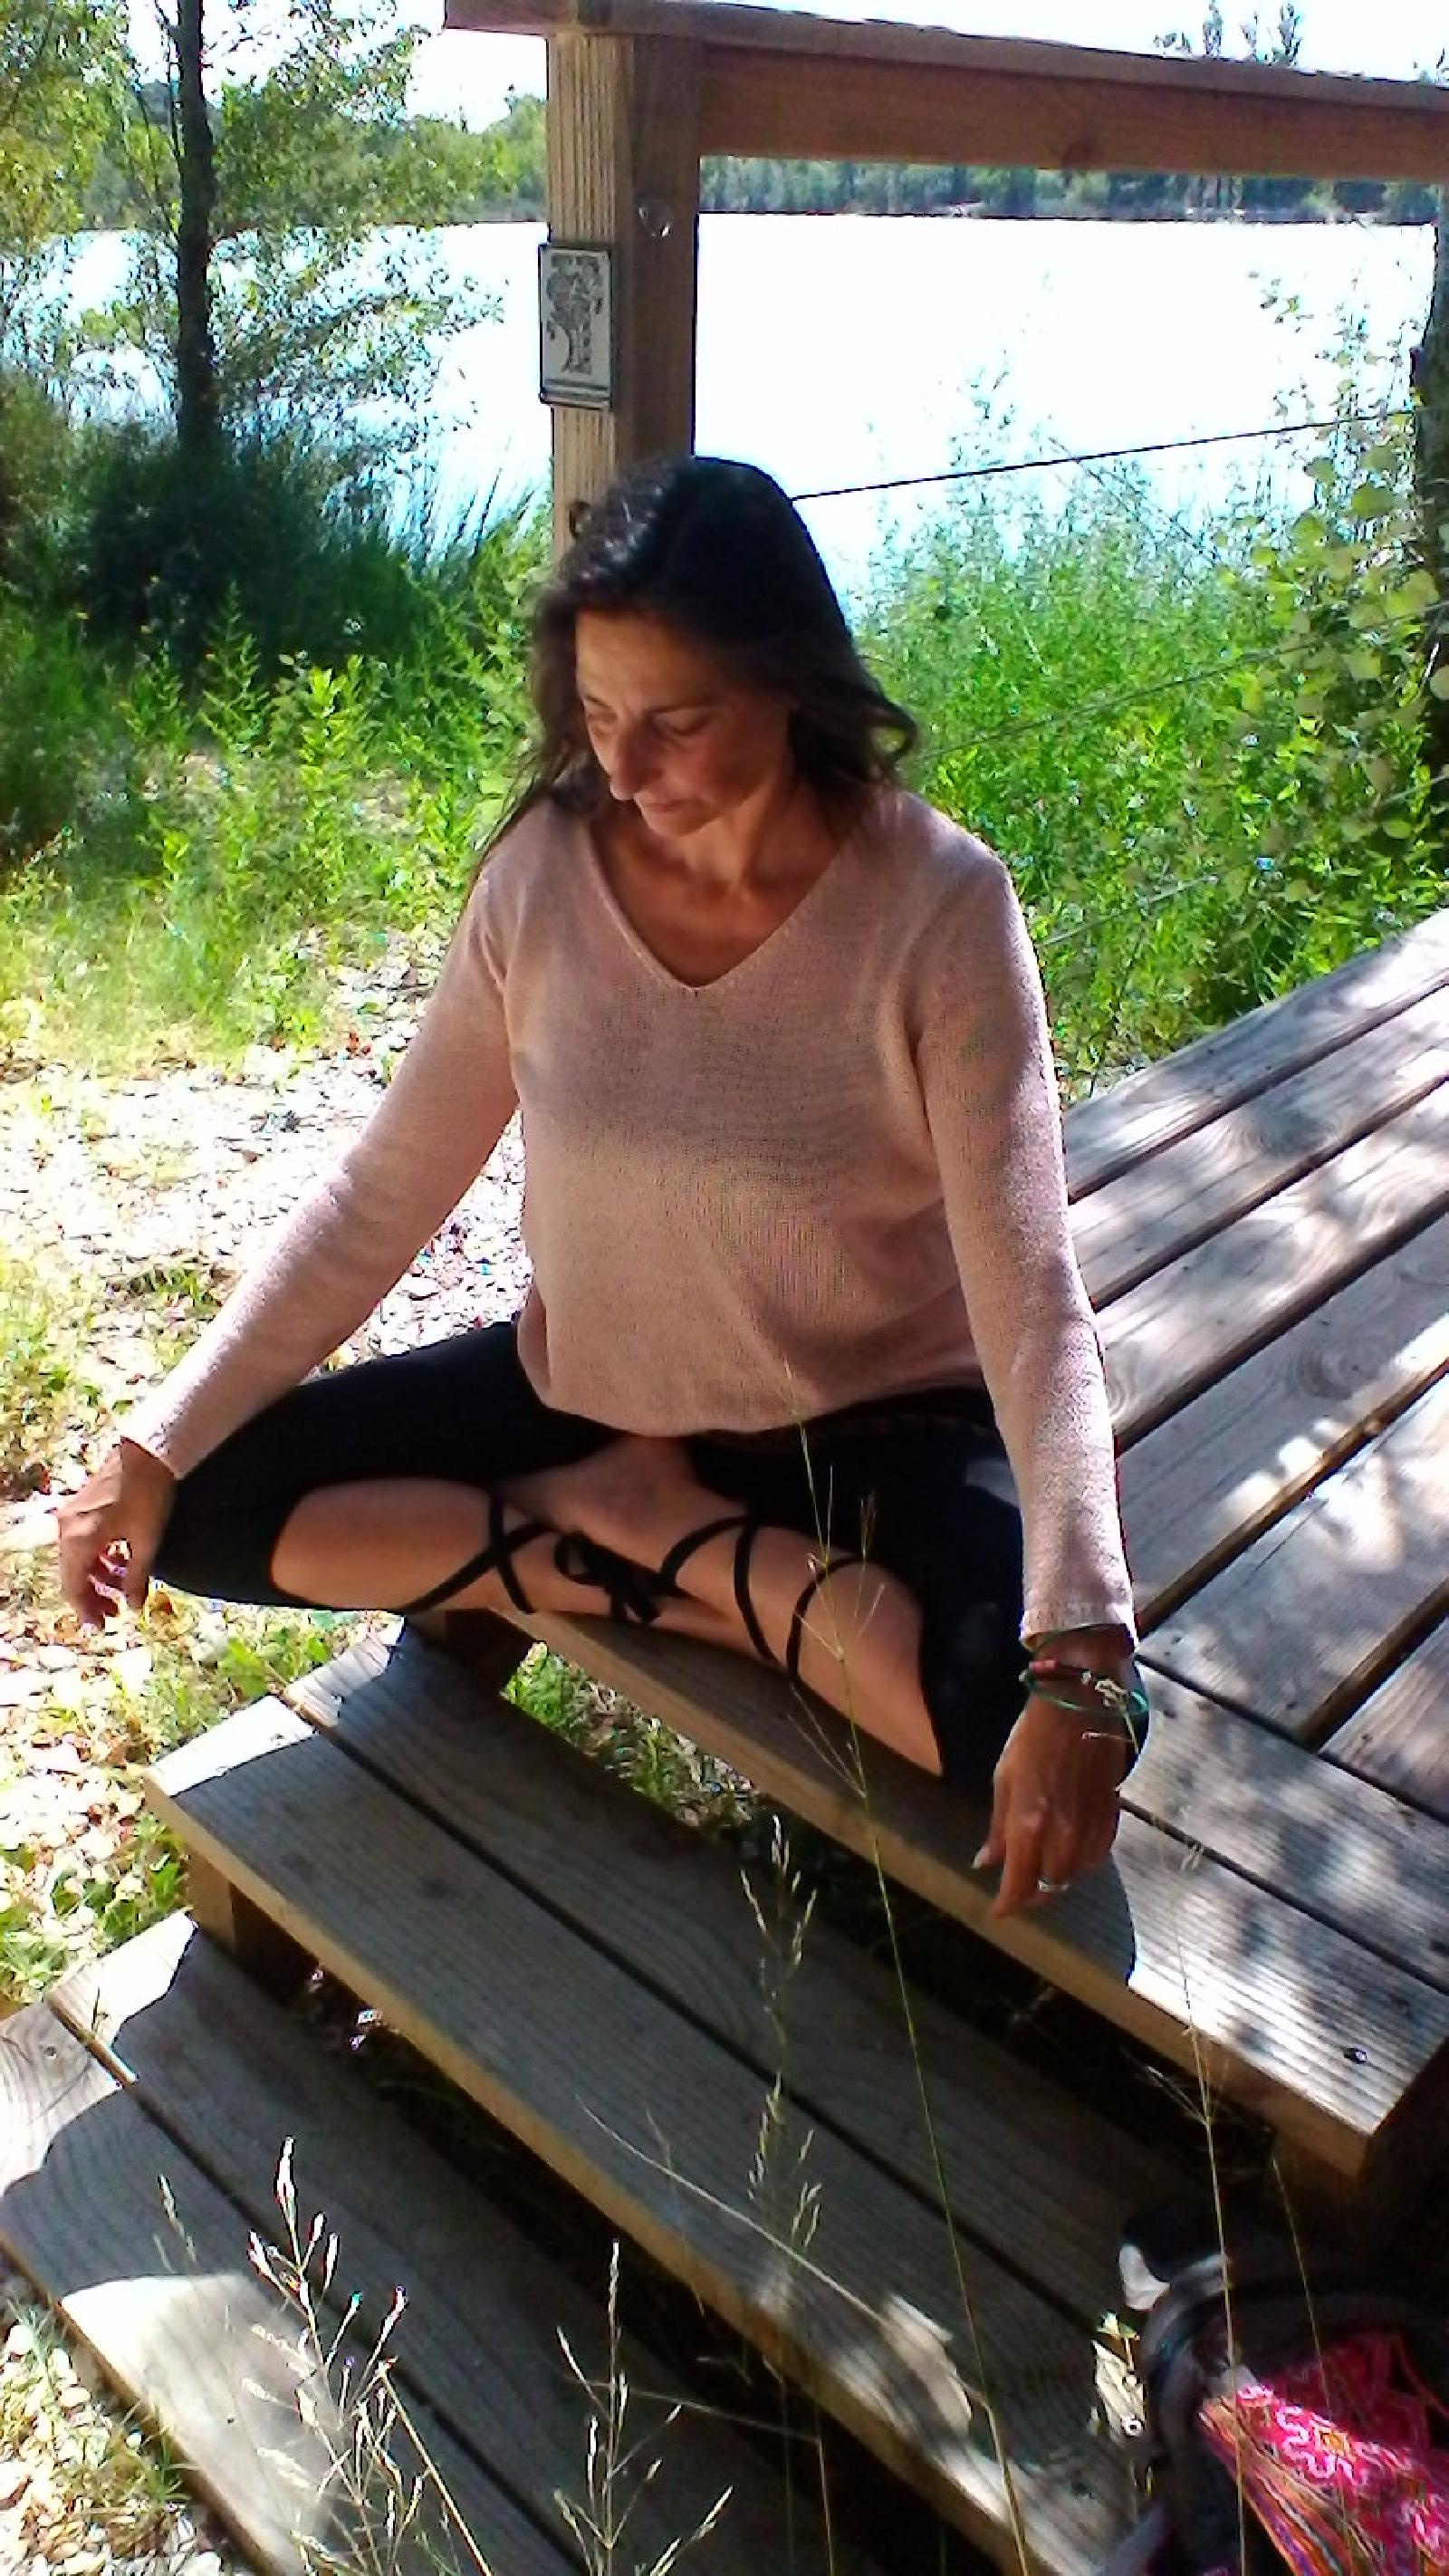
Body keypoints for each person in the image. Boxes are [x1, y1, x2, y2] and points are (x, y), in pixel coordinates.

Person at [56, 454, 1146, 1918]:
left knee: (992, 1708)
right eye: (598, 718)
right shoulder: (543, 876)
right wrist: (154, 1436)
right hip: (590, 1395)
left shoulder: (939, 909)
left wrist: (1082, 1648)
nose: (624, 774)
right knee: (202, 1503)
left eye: (676, 725)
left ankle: (636, 1530)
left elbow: (1031, 1295)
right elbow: (381, 1195)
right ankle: (648, 1532)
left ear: (790, 678)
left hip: (872, 1424)